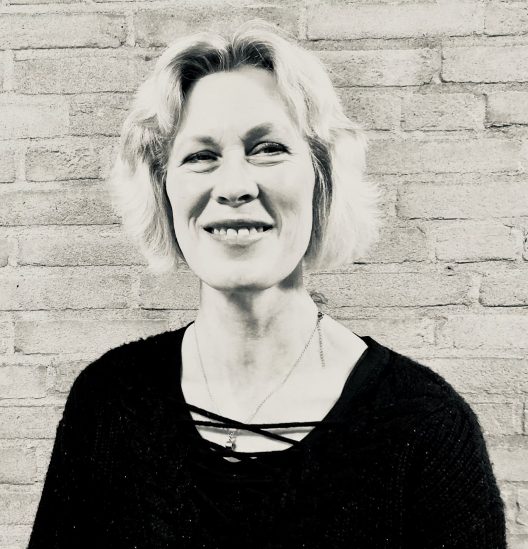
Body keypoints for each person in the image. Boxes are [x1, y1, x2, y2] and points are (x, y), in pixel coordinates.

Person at [28, 21, 506, 548]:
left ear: (322, 179)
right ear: (163, 188)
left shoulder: (425, 426)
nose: (234, 186)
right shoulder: (110, 403)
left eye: (268, 148)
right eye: (201, 156)